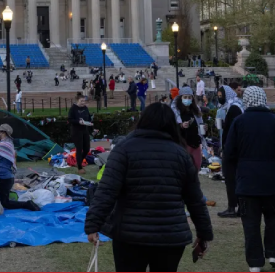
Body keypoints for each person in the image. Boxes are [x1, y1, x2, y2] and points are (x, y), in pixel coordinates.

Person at [85, 102, 213, 272]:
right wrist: (204, 233)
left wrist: (93, 224)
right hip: (168, 236)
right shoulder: (180, 153)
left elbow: (106, 191)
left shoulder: (124, 149)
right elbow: (195, 199)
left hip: (130, 236)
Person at [222, 86, 275, 272]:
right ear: (263, 99)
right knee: (273, 217)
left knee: (250, 221)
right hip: (272, 177)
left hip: (247, 179)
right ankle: (274, 254)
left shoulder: (239, 122)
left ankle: (254, 261)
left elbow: (229, 152)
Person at [0, 124, 40, 212]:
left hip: (3, 178)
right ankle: (26, 204)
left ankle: (27, 204)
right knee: (1, 201)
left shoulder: (3, 145)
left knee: (4, 203)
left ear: (3, 133)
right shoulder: (9, 143)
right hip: (7, 177)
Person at [216, 85, 244, 218]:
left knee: (231, 179)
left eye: (221, 96)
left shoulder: (233, 109)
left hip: (232, 150)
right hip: (234, 149)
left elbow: (231, 131)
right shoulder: (233, 107)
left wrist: (226, 148)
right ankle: (239, 207)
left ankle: (232, 207)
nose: (219, 98)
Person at [172, 86, 203, 171]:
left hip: (196, 143)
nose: (187, 99)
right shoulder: (176, 111)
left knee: (196, 167)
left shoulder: (195, 110)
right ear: (180, 98)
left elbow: (199, 124)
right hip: (183, 144)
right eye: (185, 97)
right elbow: (172, 127)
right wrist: (181, 125)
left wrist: (204, 129)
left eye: (189, 97)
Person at [68, 93, 92, 175]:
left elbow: (88, 117)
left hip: (85, 129)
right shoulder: (73, 108)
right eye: (81, 101)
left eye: (84, 101)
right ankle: (79, 167)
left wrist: (90, 123)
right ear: (77, 100)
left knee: (87, 148)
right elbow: (70, 119)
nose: (83, 103)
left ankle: (79, 161)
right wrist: (78, 122)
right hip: (76, 131)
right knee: (79, 148)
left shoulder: (85, 108)